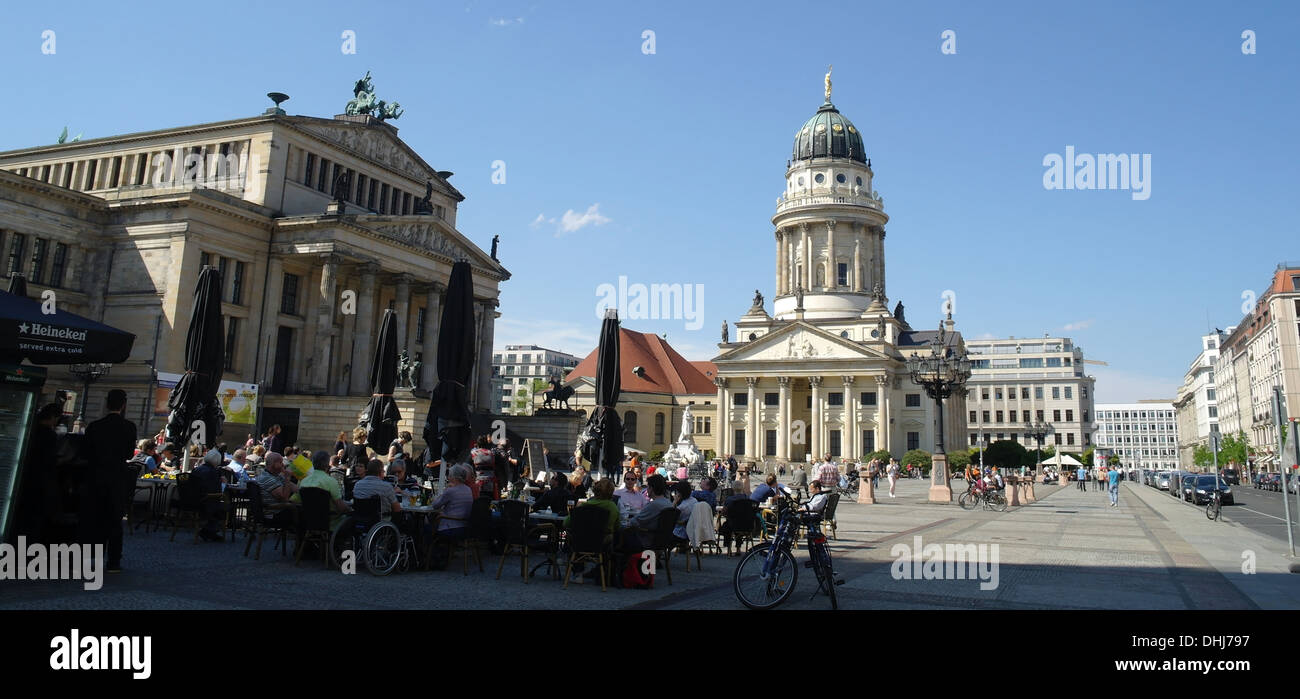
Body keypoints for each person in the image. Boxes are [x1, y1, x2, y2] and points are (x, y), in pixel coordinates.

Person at [77, 389, 136, 573]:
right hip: (117, 479)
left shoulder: (95, 426)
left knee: (91, 519)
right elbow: (128, 454)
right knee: (115, 520)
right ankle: (113, 561)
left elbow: (85, 452)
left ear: (106, 403)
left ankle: (85, 559)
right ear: (123, 405)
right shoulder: (129, 427)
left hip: (95, 477)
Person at [292, 450, 351, 528]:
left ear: (312, 463)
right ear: (327, 464)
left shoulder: (304, 481)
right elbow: (341, 507)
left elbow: (296, 501)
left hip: (308, 524)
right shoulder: (331, 482)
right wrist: (350, 508)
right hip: (330, 523)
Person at [255, 452, 301, 529]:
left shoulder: (276, 476)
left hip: (278, 510)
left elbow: (296, 489)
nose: (283, 465)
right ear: (273, 464)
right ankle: (303, 539)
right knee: (303, 513)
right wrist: (287, 478)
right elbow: (284, 498)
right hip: (272, 513)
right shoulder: (267, 478)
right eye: (280, 462)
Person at [191, 449, 228, 541]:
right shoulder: (213, 472)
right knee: (225, 507)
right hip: (205, 502)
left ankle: (209, 530)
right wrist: (223, 484)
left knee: (218, 506)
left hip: (191, 500)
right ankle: (208, 530)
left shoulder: (196, 470)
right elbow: (217, 492)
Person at [429, 464, 473, 539]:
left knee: (427, 529)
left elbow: (435, 505)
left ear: (454, 477)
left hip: (449, 526)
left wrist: (445, 489)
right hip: (464, 526)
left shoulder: (450, 491)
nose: (448, 477)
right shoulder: (468, 489)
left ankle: (428, 549)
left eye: (449, 475)